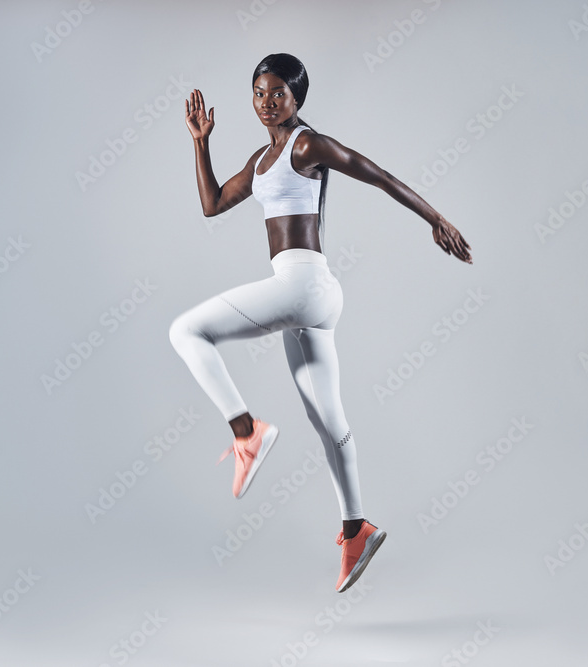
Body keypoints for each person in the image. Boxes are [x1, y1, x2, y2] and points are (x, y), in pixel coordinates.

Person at [168, 53, 472, 592]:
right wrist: (199, 141)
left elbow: (376, 173)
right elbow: (213, 205)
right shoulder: (262, 159)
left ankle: (247, 431)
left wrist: (436, 219)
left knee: (186, 331)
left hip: (303, 286)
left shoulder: (307, 144)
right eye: (259, 93)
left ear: (298, 99)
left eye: (278, 93)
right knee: (328, 421)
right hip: (308, 299)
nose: (266, 102)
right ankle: (356, 527)